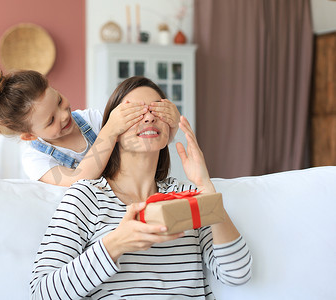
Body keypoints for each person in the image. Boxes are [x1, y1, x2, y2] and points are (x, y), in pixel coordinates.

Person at [30, 76, 252, 299]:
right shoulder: (86, 196)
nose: (148, 118)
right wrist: (115, 244)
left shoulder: (190, 196)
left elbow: (238, 274)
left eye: (157, 110)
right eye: (134, 112)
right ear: (113, 132)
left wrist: (206, 188)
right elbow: (41, 293)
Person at [0, 69, 180, 186]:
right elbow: (79, 179)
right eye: (51, 120)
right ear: (29, 136)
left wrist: (169, 127)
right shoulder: (35, 160)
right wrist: (109, 131)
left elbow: (137, 143)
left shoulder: (91, 119)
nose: (64, 115)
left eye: (60, 101)